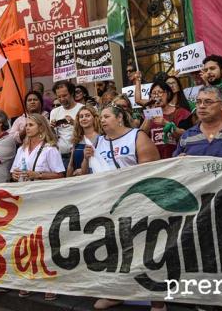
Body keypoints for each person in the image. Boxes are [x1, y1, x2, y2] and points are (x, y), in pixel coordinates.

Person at [80, 105, 160, 311]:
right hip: (110, 205)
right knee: (114, 250)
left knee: (147, 251)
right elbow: (87, 173)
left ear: (120, 118)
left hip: (137, 202)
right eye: (101, 117)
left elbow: (151, 171)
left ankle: (158, 303)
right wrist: (87, 158)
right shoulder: (98, 141)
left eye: (107, 116)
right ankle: (116, 294)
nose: (102, 120)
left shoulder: (137, 136)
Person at [10, 114, 64, 302]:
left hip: (44, 200)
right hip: (25, 200)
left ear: (41, 127)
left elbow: (59, 175)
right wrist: (16, 175)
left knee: (45, 241)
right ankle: (29, 278)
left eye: (31, 125)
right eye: (26, 125)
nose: (27, 128)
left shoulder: (50, 149)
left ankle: (51, 282)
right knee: (27, 240)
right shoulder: (22, 149)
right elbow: (14, 172)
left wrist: (38, 174)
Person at [141, 80, 192, 160]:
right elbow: (141, 136)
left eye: (160, 92)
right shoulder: (146, 115)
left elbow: (187, 136)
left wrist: (166, 123)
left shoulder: (181, 113)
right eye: (154, 93)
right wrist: (150, 113)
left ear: (168, 94)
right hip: (154, 161)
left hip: (177, 159)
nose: (157, 96)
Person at [50, 81, 84, 167]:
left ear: (72, 93)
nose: (61, 99)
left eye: (65, 95)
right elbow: (53, 137)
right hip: (60, 156)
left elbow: (90, 131)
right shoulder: (54, 112)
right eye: (59, 97)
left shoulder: (82, 108)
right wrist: (51, 129)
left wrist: (74, 123)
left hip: (79, 154)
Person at [67, 106, 101, 177]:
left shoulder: (101, 138)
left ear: (94, 118)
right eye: (81, 117)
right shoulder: (76, 139)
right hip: (78, 181)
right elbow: (71, 165)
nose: (84, 119)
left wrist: (84, 170)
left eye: (87, 116)